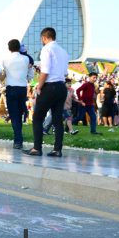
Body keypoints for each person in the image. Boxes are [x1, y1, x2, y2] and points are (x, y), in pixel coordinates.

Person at [23, 27, 70, 157]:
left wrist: (39, 86)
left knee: (37, 117)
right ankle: (57, 149)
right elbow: (63, 71)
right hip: (61, 86)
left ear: (44, 38)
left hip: (50, 87)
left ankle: (37, 148)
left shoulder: (46, 49)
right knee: (57, 119)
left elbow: (46, 71)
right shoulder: (63, 51)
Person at [2, 39, 34, 149]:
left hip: (11, 89)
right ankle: (18, 139)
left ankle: (18, 140)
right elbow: (31, 75)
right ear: (19, 47)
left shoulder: (5, 59)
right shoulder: (26, 59)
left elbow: (6, 71)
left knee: (14, 116)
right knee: (19, 115)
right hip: (22, 88)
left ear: (9, 48)